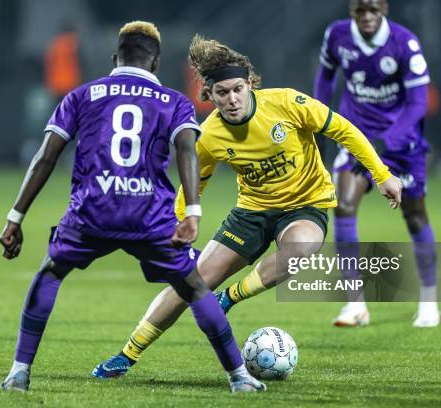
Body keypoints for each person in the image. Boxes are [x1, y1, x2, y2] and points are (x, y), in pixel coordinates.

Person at [92, 34, 402, 378]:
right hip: (251, 213)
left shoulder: (287, 104)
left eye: (238, 89)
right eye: (222, 93)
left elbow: (344, 130)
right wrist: (178, 222)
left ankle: (230, 299)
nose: (233, 99)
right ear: (209, 95)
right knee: (189, 283)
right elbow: (194, 183)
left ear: (250, 84)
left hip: (305, 204)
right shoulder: (208, 134)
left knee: (299, 249)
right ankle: (127, 354)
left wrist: (382, 175)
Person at [0, 21, 265, 393]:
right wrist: (192, 213)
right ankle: (239, 378)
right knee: (194, 288)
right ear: (155, 63)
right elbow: (188, 150)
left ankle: (19, 372)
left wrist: (16, 217)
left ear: (114, 58)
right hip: (149, 217)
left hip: (91, 211)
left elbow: (45, 158)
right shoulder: (174, 101)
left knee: (51, 272)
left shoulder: (81, 96)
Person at [313, 0, 440, 327]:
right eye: (360, 10)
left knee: (414, 216)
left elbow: (418, 102)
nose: (367, 17)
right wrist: (319, 119)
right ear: (351, 10)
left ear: (383, 9)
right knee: (343, 207)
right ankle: (355, 304)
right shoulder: (337, 36)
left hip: (400, 144)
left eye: (373, 10)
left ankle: (429, 300)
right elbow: (326, 79)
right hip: (357, 136)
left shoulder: (405, 44)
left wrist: (386, 141)